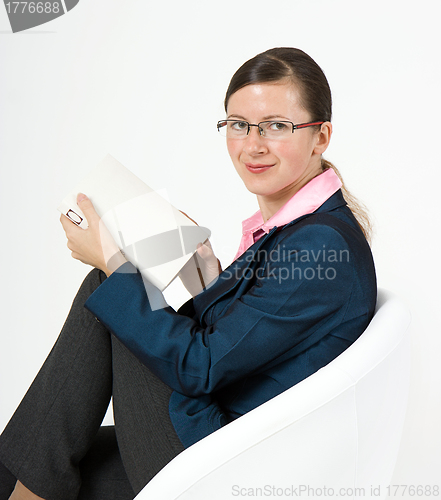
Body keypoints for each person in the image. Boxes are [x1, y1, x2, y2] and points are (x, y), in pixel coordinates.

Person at [0, 47, 376, 500]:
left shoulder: (320, 245)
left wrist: (114, 262)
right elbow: (245, 342)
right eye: (238, 125)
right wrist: (207, 279)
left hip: (221, 464)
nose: (253, 145)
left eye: (277, 126)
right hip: (219, 443)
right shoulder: (300, 230)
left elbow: (201, 367)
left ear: (320, 137)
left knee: (109, 286)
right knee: (27, 461)